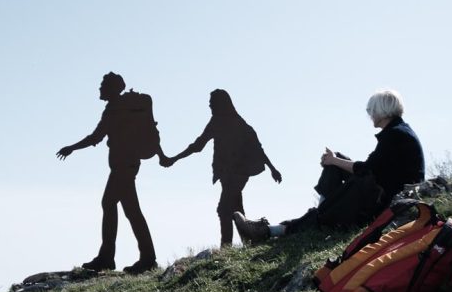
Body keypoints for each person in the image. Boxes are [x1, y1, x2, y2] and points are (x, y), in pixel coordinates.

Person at [234, 89, 424, 245]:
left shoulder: (396, 135)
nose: (370, 115)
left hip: (385, 201)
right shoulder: (398, 132)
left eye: (372, 110)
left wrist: (333, 161)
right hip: (381, 189)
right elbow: (373, 168)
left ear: (382, 111)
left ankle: (269, 231)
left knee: (340, 166)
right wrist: (334, 160)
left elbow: (367, 170)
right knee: (337, 160)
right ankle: (323, 211)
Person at [56, 72, 164, 274]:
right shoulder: (122, 108)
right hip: (126, 164)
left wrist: (72, 147)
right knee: (125, 209)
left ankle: (120, 258)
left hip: (123, 165)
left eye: (102, 85)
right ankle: (134, 257)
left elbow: (95, 137)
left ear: (112, 88)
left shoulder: (115, 109)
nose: (99, 89)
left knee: (119, 207)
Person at [161, 89, 282, 247]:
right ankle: (249, 241)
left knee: (223, 209)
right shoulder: (217, 121)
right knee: (236, 208)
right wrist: (175, 159)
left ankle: (226, 246)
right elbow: (198, 145)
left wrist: (272, 168)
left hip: (238, 173)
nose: (210, 105)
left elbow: (257, 147)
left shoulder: (234, 122)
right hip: (226, 174)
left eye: (212, 102)